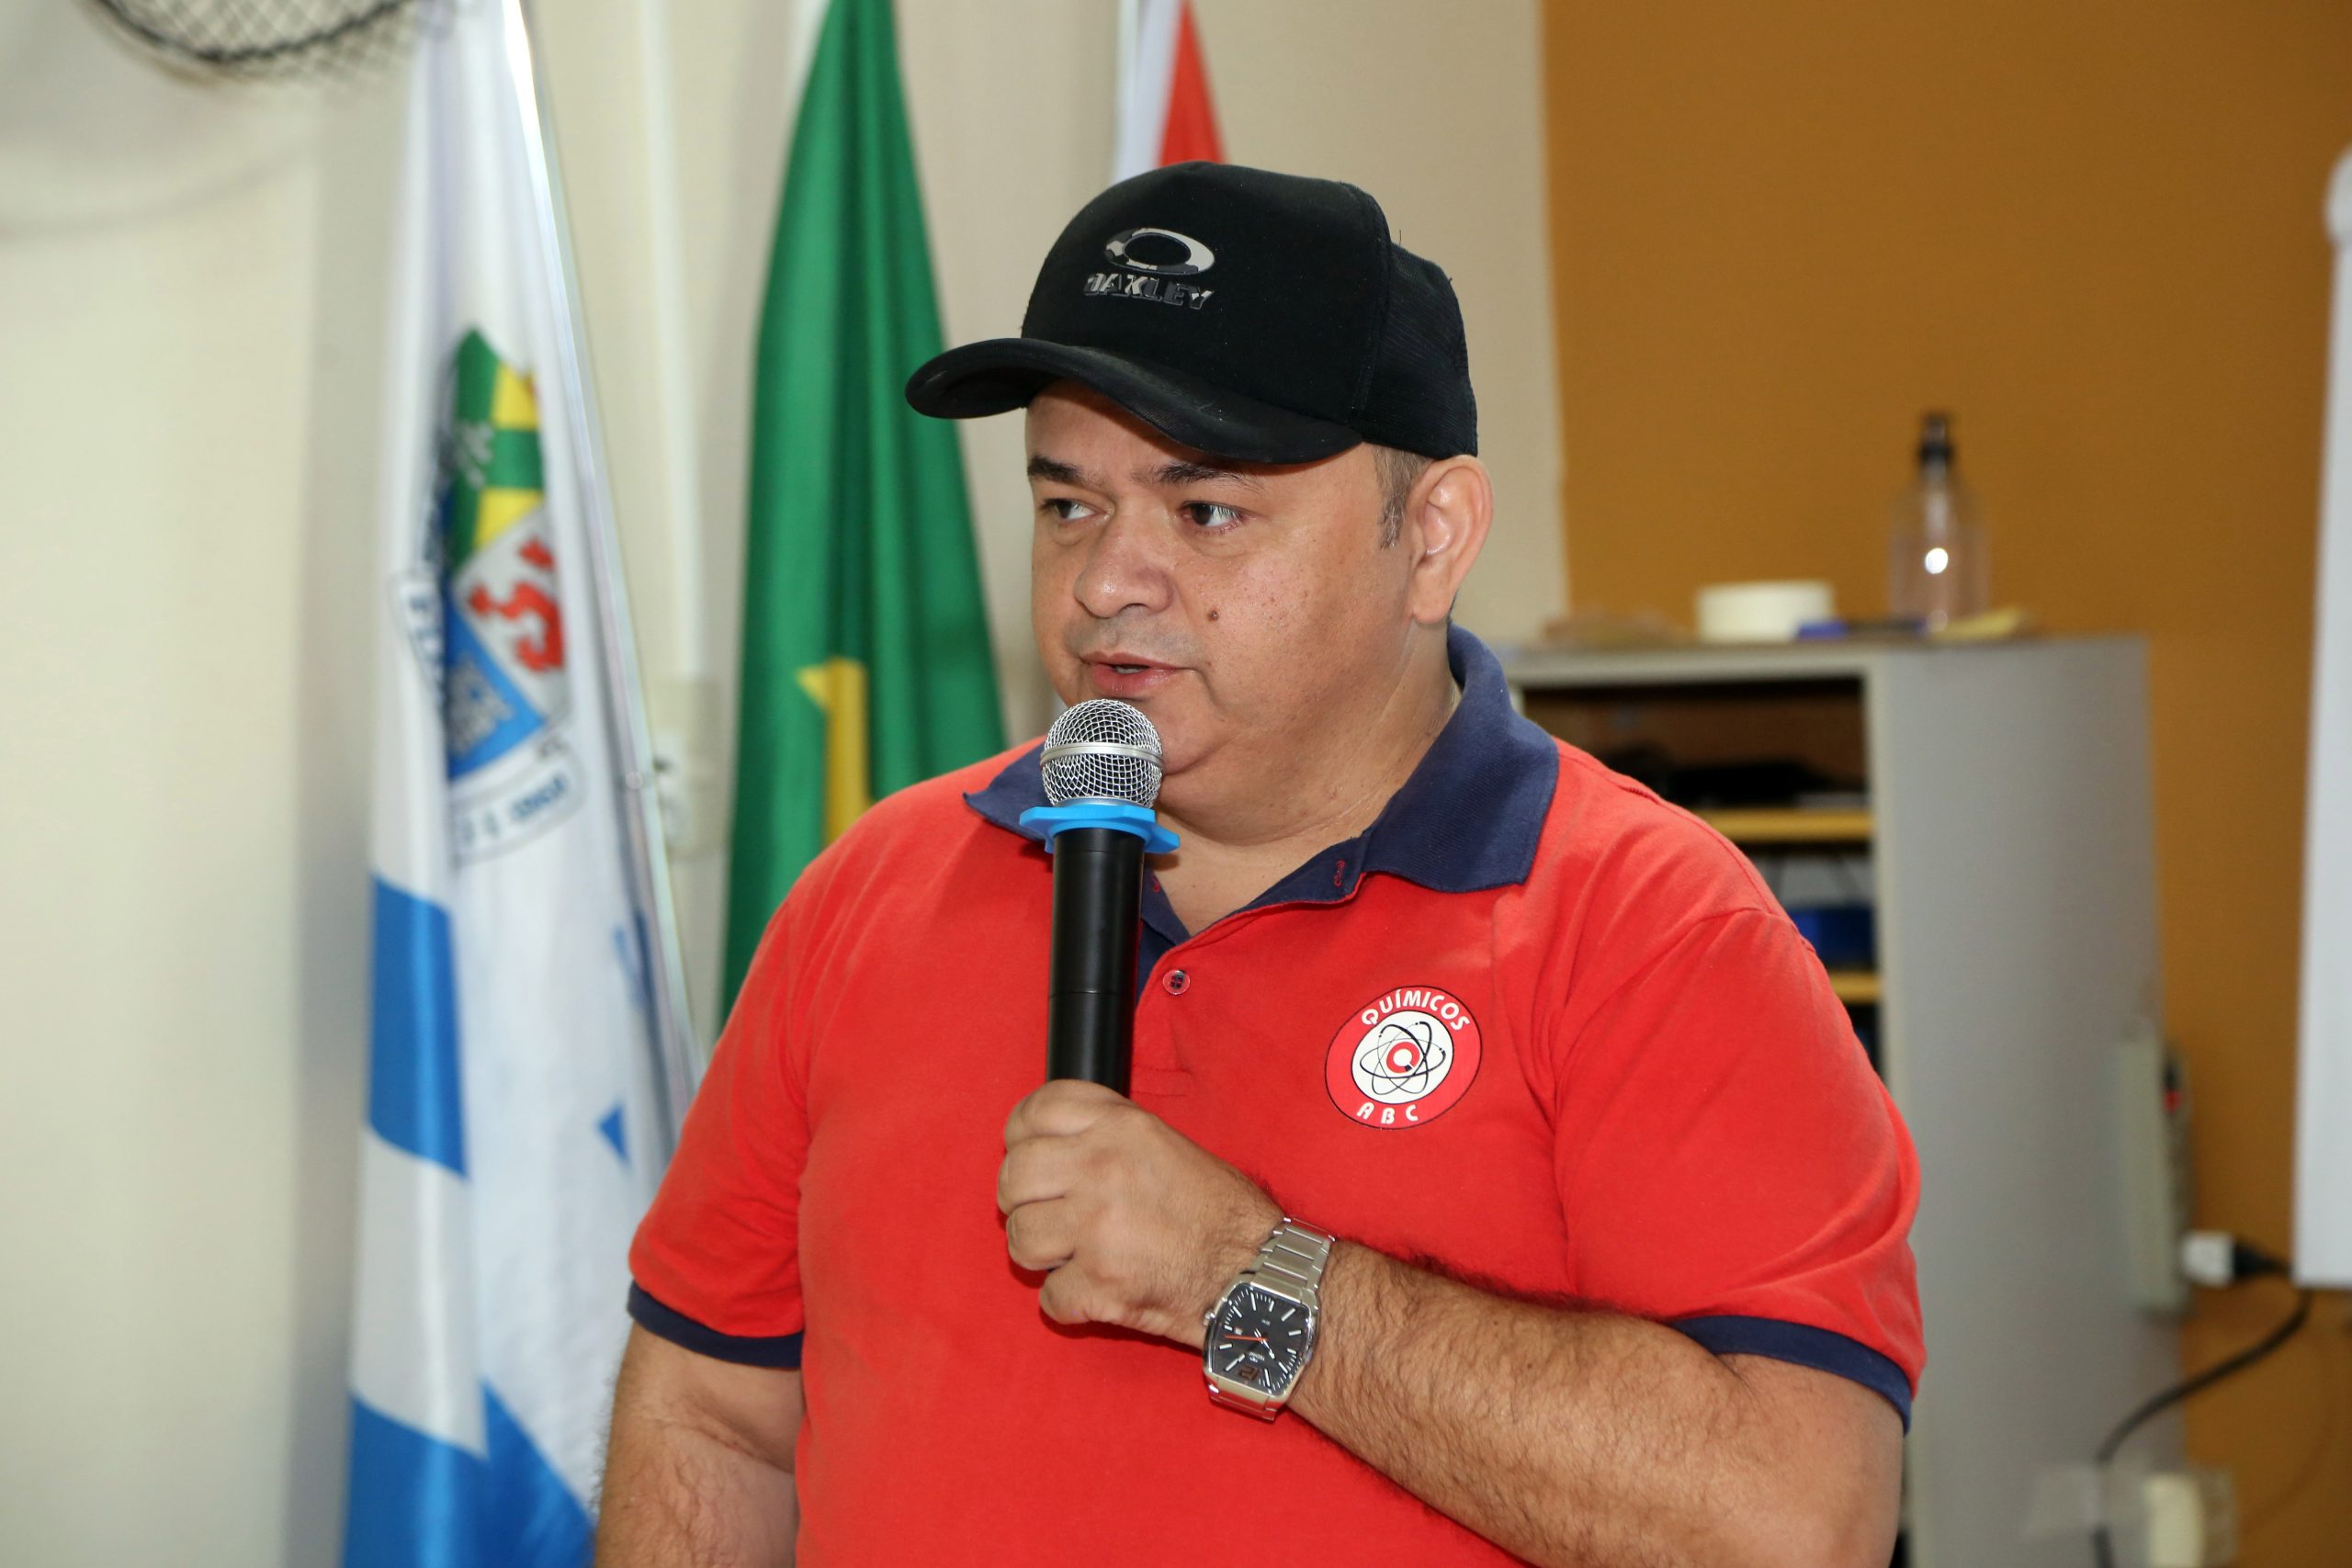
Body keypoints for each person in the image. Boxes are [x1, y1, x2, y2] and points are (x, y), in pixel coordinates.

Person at [595, 163, 1922, 1568]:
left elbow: (1795, 1529)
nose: (1110, 580)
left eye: (1205, 510)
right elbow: (710, 1415)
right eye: (1068, 507)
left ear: (1433, 538)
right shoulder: (876, 890)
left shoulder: (1652, 928)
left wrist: (1245, 1277)